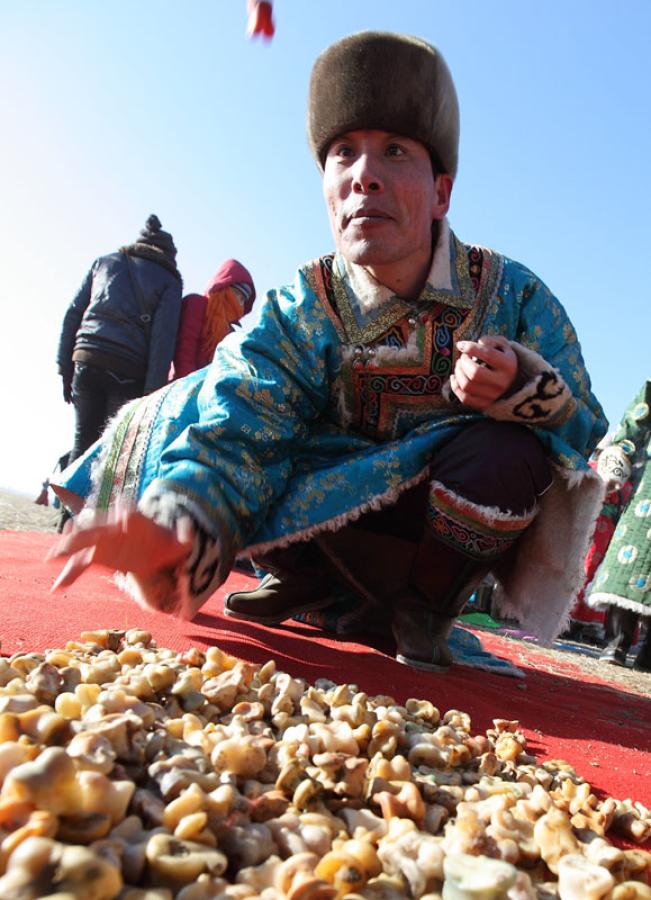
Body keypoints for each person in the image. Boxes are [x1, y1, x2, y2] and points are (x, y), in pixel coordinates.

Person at [51, 32, 607, 673]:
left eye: (394, 151)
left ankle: (420, 612)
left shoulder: (514, 295)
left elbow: (585, 426)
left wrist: (520, 391)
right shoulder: (301, 305)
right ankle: (313, 586)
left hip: (433, 531)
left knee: (509, 454)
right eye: (344, 154)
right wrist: (178, 533)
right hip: (317, 512)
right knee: (209, 408)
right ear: (325, 185)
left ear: (441, 194)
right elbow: (237, 426)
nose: (364, 175)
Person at [57, 214, 183, 465]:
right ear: (169, 254)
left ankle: (67, 505)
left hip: (86, 360)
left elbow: (73, 313)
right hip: (127, 372)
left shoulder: (104, 262)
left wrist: (64, 366)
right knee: (111, 455)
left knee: (83, 443)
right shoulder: (169, 281)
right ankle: (90, 505)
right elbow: (163, 342)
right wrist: (150, 397)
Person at [589, 380, 651, 671]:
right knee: (631, 561)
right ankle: (616, 644)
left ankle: (648, 652)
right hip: (647, 495)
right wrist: (618, 460)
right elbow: (634, 426)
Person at [173, 260, 255, 379]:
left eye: (243, 299)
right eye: (237, 294)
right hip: (182, 387)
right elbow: (185, 348)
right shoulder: (197, 304)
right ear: (224, 287)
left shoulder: (230, 332)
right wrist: (190, 385)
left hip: (210, 391)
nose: (239, 302)